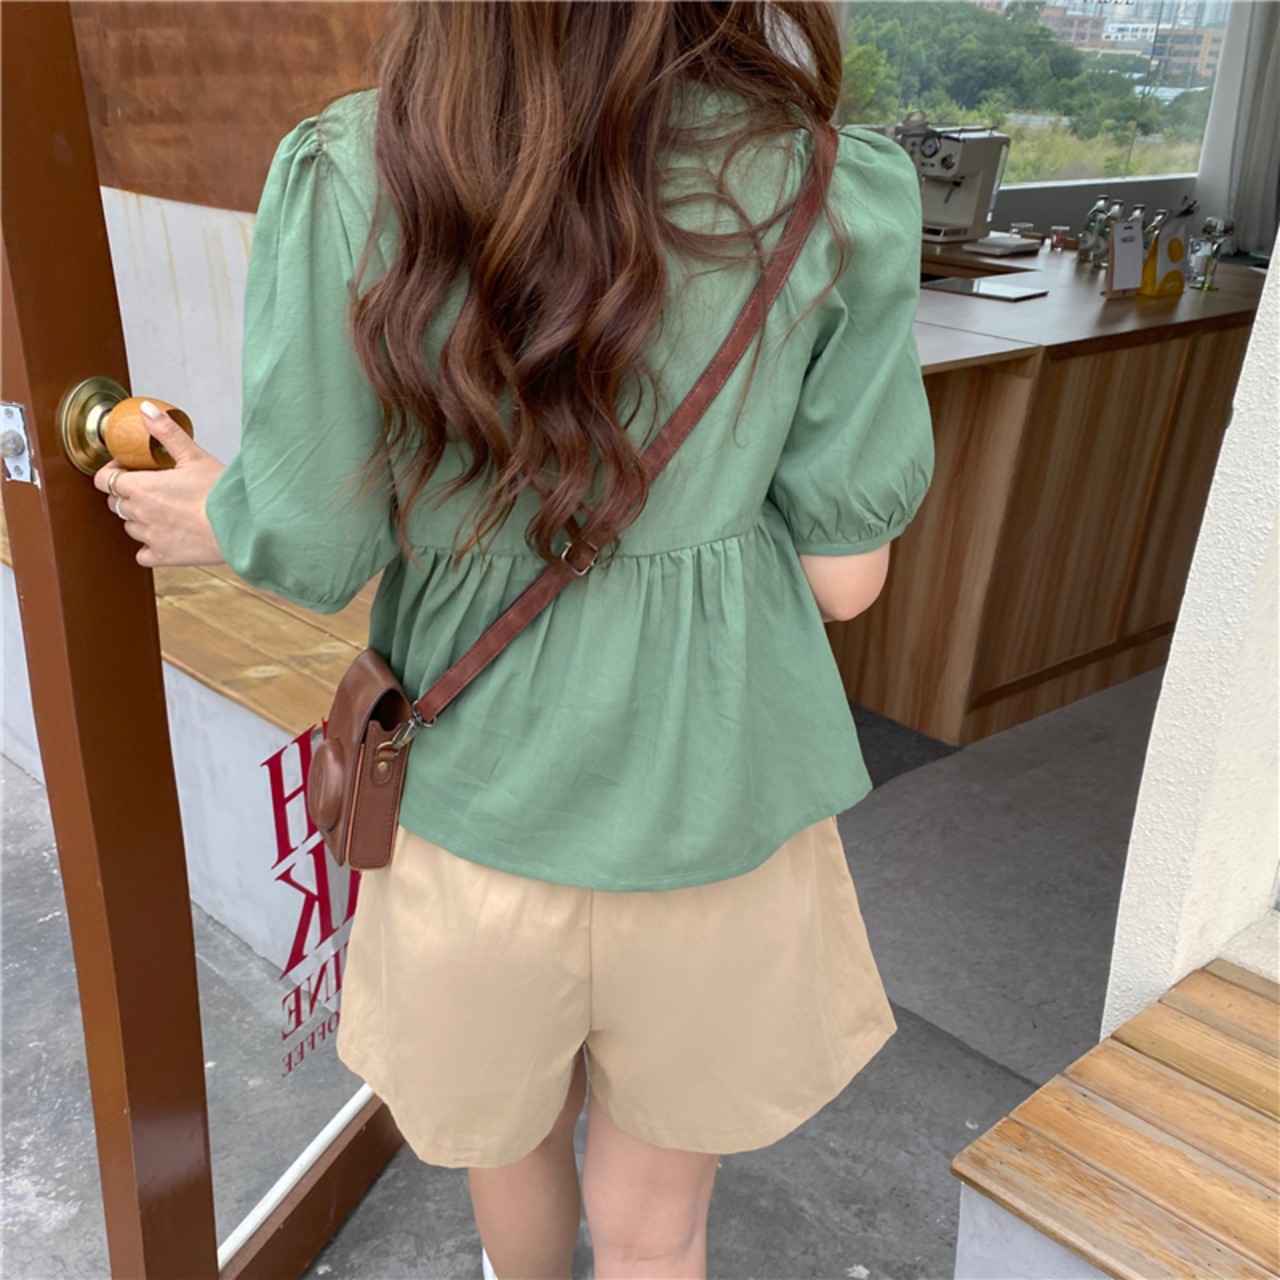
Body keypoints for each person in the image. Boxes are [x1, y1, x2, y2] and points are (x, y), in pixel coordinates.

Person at [94, 3, 934, 1276]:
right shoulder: (821, 178)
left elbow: (316, 544)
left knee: (509, 1149)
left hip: (470, 798)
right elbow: (843, 581)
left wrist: (221, 507)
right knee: (658, 1230)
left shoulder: (360, 165)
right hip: (716, 799)